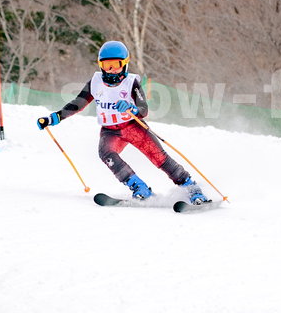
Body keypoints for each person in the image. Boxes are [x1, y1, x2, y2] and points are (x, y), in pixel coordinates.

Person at [36, 40, 210, 204]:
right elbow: (78, 103)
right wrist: (55, 117)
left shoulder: (131, 82)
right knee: (106, 154)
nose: (111, 70)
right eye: (106, 65)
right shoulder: (96, 82)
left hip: (133, 127)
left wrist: (132, 108)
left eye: (116, 65)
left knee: (159, 158)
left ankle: (191, 188)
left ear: (125, 64)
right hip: (110, 131)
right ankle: (140, 188)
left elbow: (144, 109)